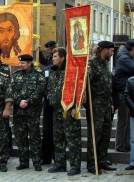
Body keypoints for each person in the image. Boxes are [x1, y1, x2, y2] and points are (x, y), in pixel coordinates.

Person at [47, 48, 81, 176]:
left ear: (63, 58)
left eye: (55, 56)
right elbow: (50, 89)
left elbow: (78, 89)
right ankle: (60, 163)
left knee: (72, 139)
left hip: (69, 109)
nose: (53, 58)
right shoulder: (54, 72)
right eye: (53, 56)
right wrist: (51, 99)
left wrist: (75, 107)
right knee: (58, 138)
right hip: (56, 110)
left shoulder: (70, 72)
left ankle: (75, 165)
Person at [87, 41, 117, 174]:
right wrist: (87, 74)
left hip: (106, 104)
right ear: (104, 50)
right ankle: (92, 163)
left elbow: (108, 85)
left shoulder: (105, 64)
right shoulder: (92, 63)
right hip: (96, 104)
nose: (112, 53)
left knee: (105, 134)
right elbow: (87, 82)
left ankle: (102, 161)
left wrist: (111, 102)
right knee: (95, 135)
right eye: (111, 51)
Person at [12, 54, 45, 171]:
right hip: (19, 113)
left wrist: (28, 101)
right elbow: (12, 90)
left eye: (23, 63)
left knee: (35, 138)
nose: (20, 65)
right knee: (21, 138)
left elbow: (40, 90)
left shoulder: (38, 75)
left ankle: (37, 162)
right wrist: (19, 101)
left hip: (33, 113)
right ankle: (23, 162)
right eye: (20, 63)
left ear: (30, 63)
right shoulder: (15, 76)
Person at [114, 39, 134, 152]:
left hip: (126, 92)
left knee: (127, 119)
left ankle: (126, 143)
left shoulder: (126, 57)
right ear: (133, 49)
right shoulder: (124, 59)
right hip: (123, 92)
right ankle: (120, 144)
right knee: (123, 120)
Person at [41, 64, 55, 165]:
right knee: (47, 132)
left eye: (55, 56)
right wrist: (49, 97)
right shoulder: (47, 69)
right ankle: (46, 157)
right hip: (48, 105)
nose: (53, 58)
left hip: (60, 106)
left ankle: (57, 158)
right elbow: (43, 86)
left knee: (58, 134)